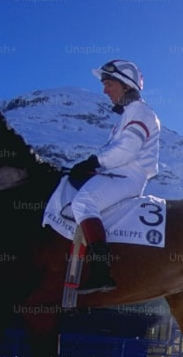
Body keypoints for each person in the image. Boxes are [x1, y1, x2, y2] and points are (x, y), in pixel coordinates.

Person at [67, 59, 161, 293]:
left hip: (128, 176)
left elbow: (127, 149)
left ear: (126, 85)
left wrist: (94, 162)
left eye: (109, 84)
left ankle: (100, 271)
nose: (104, 90)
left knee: (84, 201)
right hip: (117, 174)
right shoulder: (128, 114)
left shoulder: (140, 111)